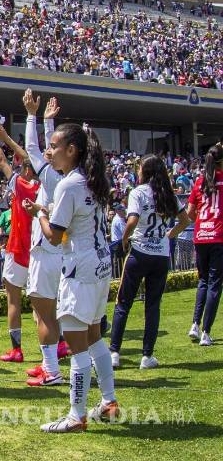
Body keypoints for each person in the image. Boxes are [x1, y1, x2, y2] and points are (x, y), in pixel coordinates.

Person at [23, 123, 119, 433]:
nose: (49, 152)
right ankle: (108, 401)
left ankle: (77, 416)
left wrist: (38, 213)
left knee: (78, 345)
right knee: (94, 338)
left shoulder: (69, 184)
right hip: (101, 265)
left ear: (72, 150)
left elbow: (54, 237)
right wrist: (46, 208)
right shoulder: (93, 180)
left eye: (54, 145)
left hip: (80, 269)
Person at [109, 155, 187, 368]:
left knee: (123, 303)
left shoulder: (138, 192)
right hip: (160, 256)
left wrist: (124, 239)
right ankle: (147, 356)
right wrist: (168, 235)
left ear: (146, 171)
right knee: (153, 306)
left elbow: (132, 220)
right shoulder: (168, 193)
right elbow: (186, 220)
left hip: (139, 252)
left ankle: (114, 352)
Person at [21, 93, 70, 387]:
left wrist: (31, 115)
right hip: (61, 250)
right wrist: (49, 120)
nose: (49, 150)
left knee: (45, 313)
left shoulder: (52, 175)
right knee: (49, 313)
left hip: (46, 248)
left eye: (54, 148)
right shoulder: (70, 176)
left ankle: (51, 370)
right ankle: (47, 364)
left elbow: (30, 147)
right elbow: (48, 147)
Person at [0, 114, 39, 365]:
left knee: (13, 300)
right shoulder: (48, 187)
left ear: (27, 169)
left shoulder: (21, 185)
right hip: (41, 251)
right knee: (44, 303)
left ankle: (17, 349)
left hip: (18, 250)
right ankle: (58, 345)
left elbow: (0, 160)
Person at [186, 141, 223, 346]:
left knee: (203, 282)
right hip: (219, 236)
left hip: (201, 235)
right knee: (215, 285)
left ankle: (195, 324)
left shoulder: (199, 182)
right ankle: (206, 332)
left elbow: (190, 212)